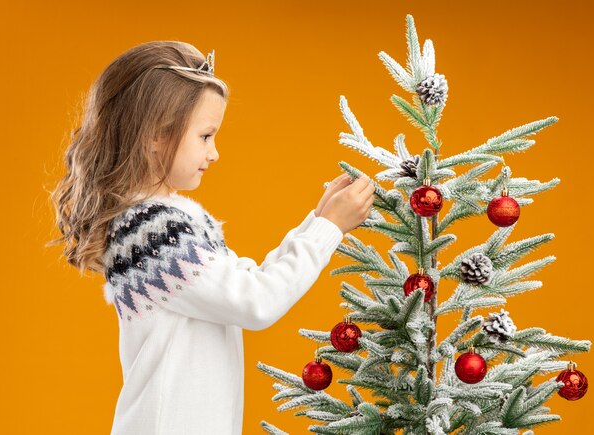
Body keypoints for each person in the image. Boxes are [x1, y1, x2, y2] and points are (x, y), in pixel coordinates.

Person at [48, 41, 375, 434]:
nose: (215, 152)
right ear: (156, 135)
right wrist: (329, 228)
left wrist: (317, 220)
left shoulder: (161, 224)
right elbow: (256, 301)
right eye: (205, 136)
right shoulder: (151, 233)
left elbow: (245, 283)